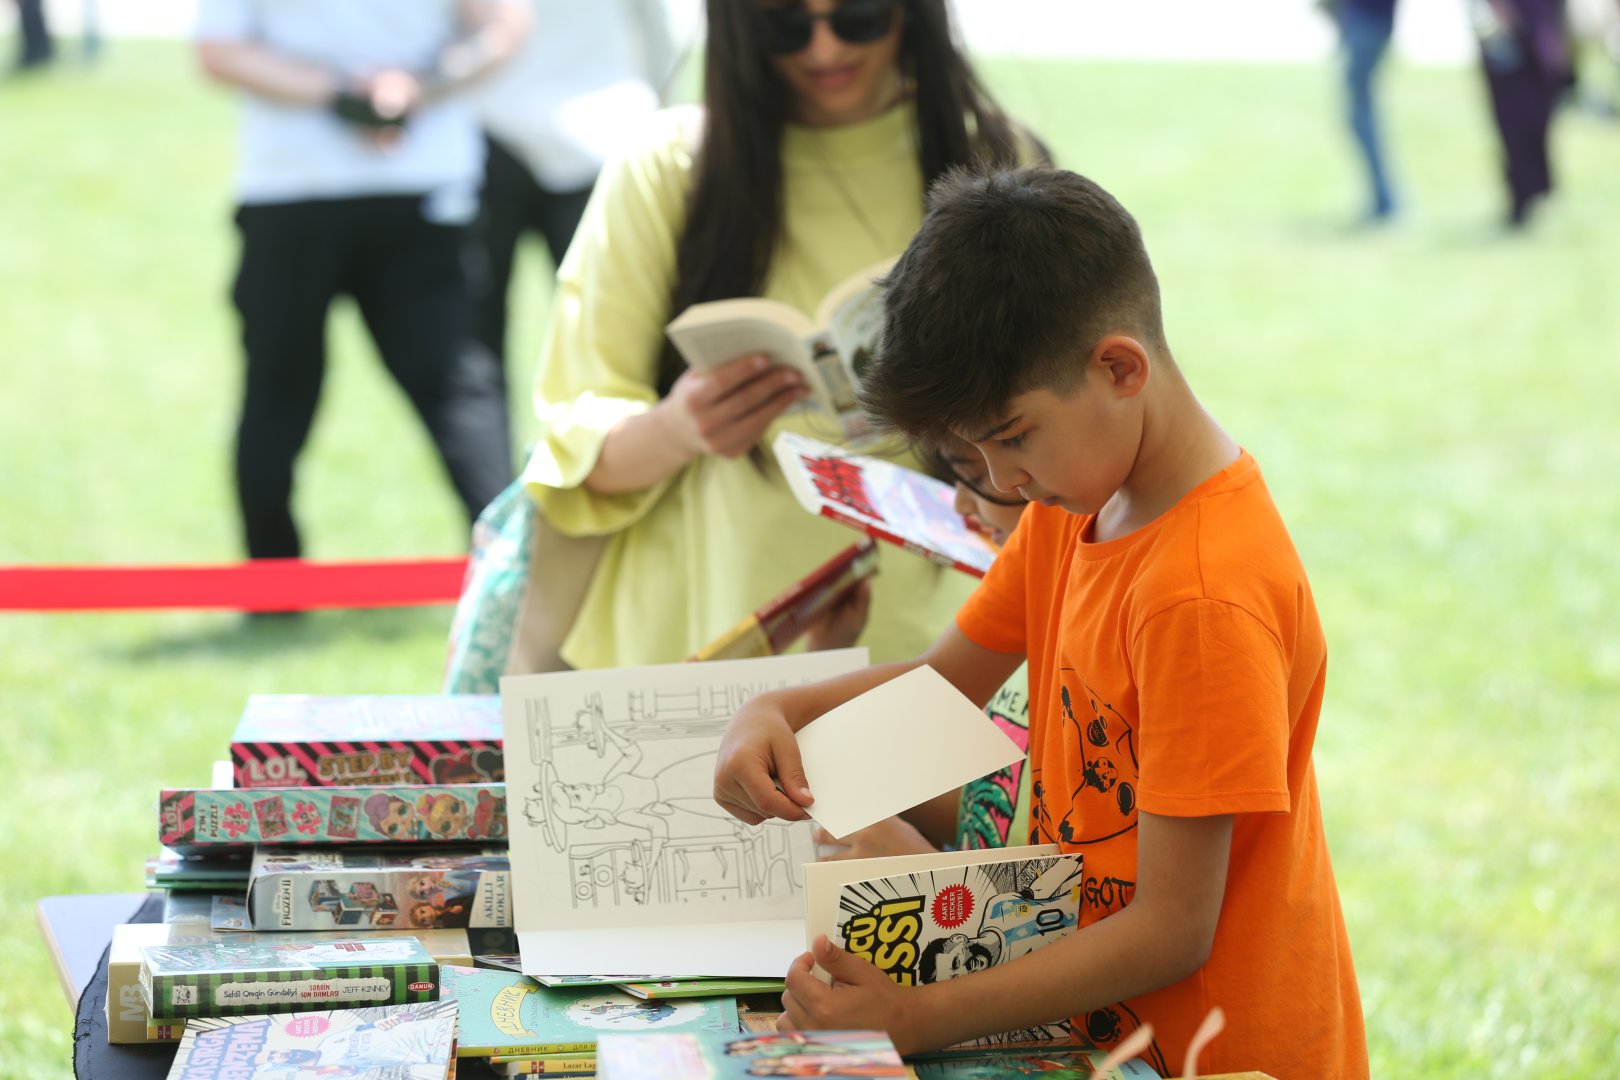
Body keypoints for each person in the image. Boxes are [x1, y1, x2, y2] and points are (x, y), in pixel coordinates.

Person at [713, 166, 1368, 1077]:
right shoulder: (1076, 504)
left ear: (1119, 368)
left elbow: (1173, 930)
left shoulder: (1202, 595)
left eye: (1012, 437)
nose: (999, 482)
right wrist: (780, 710)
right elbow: (942, 689)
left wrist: (916, 1016)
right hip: (1084, 1024)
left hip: (1205, 1051)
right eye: (971, 453)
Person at [520, 0, 1039, 670]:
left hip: (950, 631)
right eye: (785, 26)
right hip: (705, 639)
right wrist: (682, 426)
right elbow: (571, 443)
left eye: (858, 18)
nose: (824, 50)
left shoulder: (997, 161)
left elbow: (1059, 410)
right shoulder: (671, 164)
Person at [195, 0, 530, 566]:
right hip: (335, 183)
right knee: (454, 389)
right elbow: (503, 27)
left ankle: (508, 574)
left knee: (292, 390)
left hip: (327, 186)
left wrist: (371, 93)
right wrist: (391, 91)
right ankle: (510, 578)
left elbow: (221, 49)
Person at [813, 434, 1032, 861]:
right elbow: (1001, 807)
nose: (961, 508)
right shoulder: (1029, 607)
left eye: (975, 475)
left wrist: (928, 869)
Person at [469, 0, 676, 372]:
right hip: (601, 128)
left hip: (499, 122)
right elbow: (668, 29)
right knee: (612, 324)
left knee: (478, 325)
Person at [1471, 0, 1572, 226]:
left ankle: (1539, 189)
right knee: (1513, 117)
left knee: (1539, 113)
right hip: (1508, 29)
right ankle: (1521, 197)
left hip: (1542, 28)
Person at [1328, 0, 1400, 222]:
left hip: (1369, 22)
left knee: (1361, 118)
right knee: (1358, 117)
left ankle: (1385, 201)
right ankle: (1383, 200)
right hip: (1362, 21)